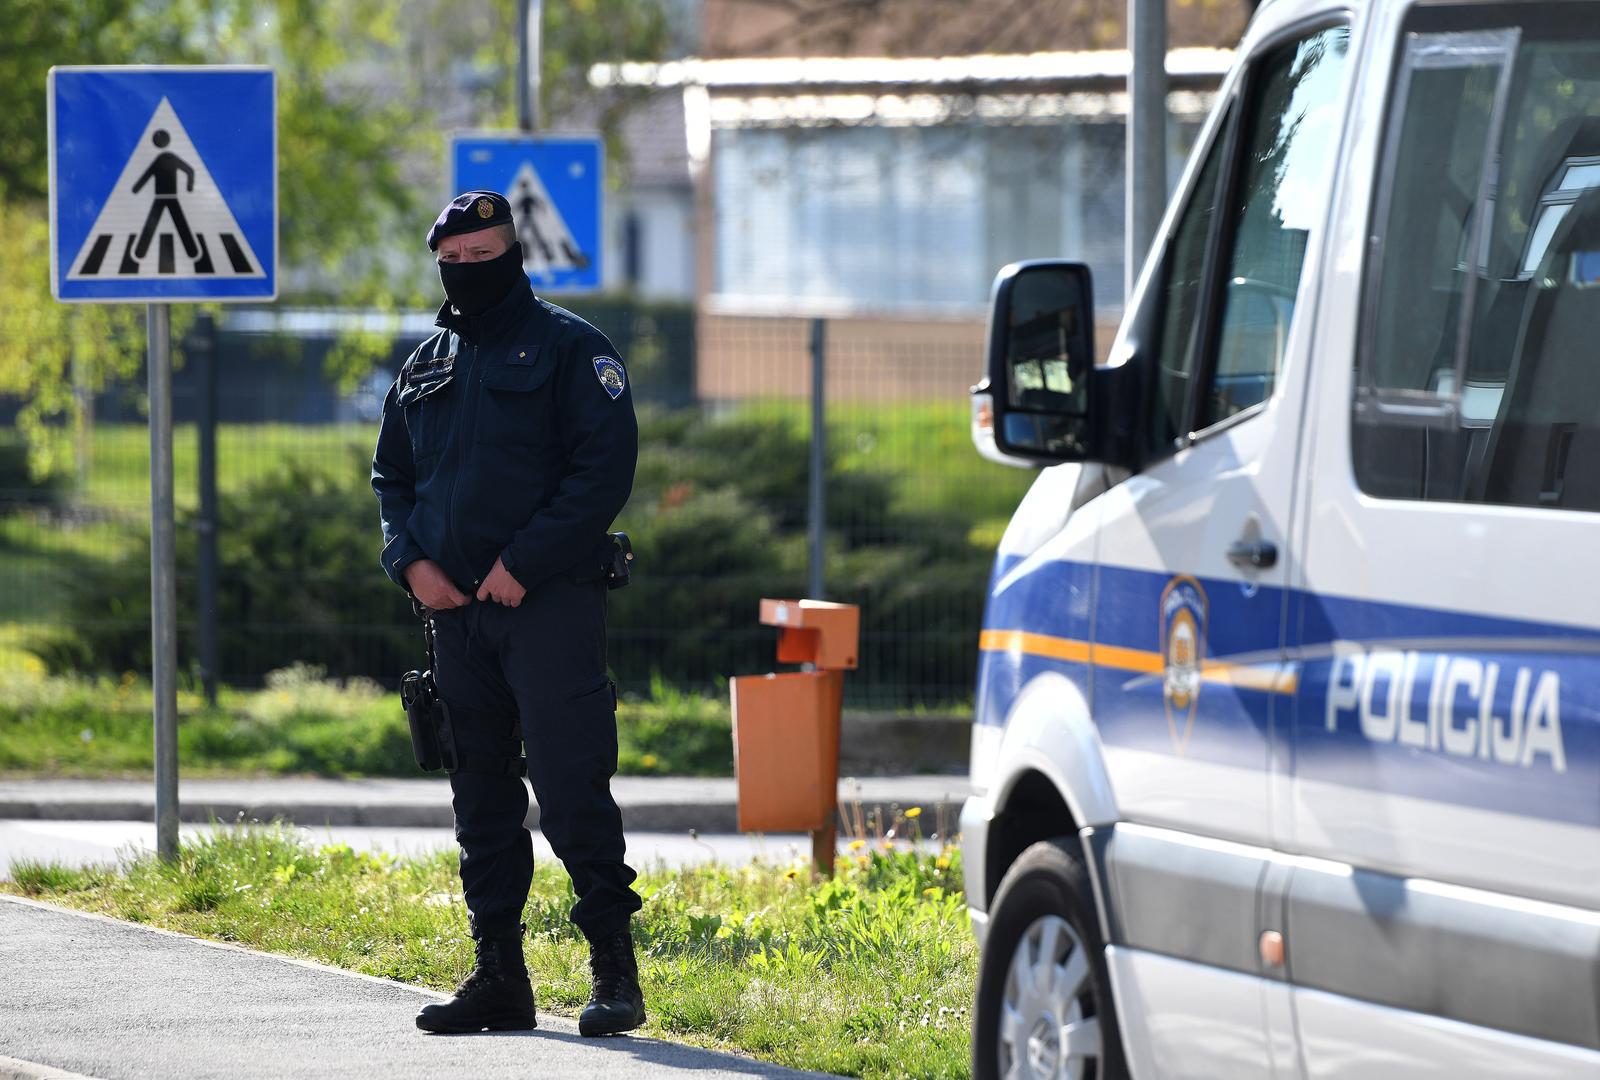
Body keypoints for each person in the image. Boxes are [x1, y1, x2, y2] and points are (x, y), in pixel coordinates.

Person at [371, 190, 644, 1036]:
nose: (467, 275)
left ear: (514, 255)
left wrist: (521, 565)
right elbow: (392, 481)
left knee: (570, 793)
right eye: (453, 263)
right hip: (455, 620)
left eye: (483, 259)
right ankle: (499, 977)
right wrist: (410, 564)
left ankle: (614, 977)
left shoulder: (571, 349)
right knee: (480, 802)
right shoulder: (425, 365)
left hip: (548, 610)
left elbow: (601, 470)